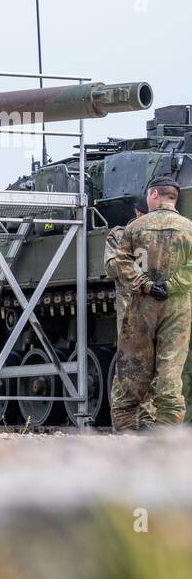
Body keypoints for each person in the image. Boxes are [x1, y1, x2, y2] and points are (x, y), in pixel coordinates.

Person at [107, 176, 192, 429]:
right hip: (177, 306)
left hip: (141, 305)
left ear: (154, 195)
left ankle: (127, 431)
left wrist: (145, 284)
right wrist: (172, 285)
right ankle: (166, 431)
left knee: (132, 369)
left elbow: (118, 263)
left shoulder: (134, 228)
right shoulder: (188, 227)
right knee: (170, 367)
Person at [104, 200, 155, 428]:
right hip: (133, 310)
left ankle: (146, 421)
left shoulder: (159, 236)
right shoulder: (121, 235)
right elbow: (111, 267)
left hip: (153, 310)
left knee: (150, 367)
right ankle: (125, 423)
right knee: (129, 367)